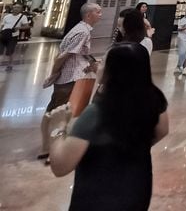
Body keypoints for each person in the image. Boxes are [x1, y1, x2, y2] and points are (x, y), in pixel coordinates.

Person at [46, 42, 168, 210]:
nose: (98, 65)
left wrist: (58, 127)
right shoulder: (154, 98)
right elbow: (162, 130)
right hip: (138, 189)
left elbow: (61, 166)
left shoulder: (96, 112)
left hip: (97, 197)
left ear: (113, 72)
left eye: (103, 61)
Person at [39, 3, 102, 162]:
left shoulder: (82, 30)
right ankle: (51, 148)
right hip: (70, 78)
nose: (101, 15)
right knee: (59, 113)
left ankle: (50, 147)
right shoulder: (82, 32)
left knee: (58, 111)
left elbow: (79, 54)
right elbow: (62, 56)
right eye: (98, 12)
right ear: (89, 15)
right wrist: (54, 73)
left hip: (73, 76)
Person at [1, 3, 29, 71]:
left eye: (18, 7)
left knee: (10, 51)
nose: (16, 9)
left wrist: (18, 28)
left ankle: (10, 65)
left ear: (21, 9)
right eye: (15, 7)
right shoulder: (7, 16)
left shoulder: (22, 17)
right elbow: (2, 25)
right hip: (4, 34)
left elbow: (27, 26)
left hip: (13, 36)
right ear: (12, 8)